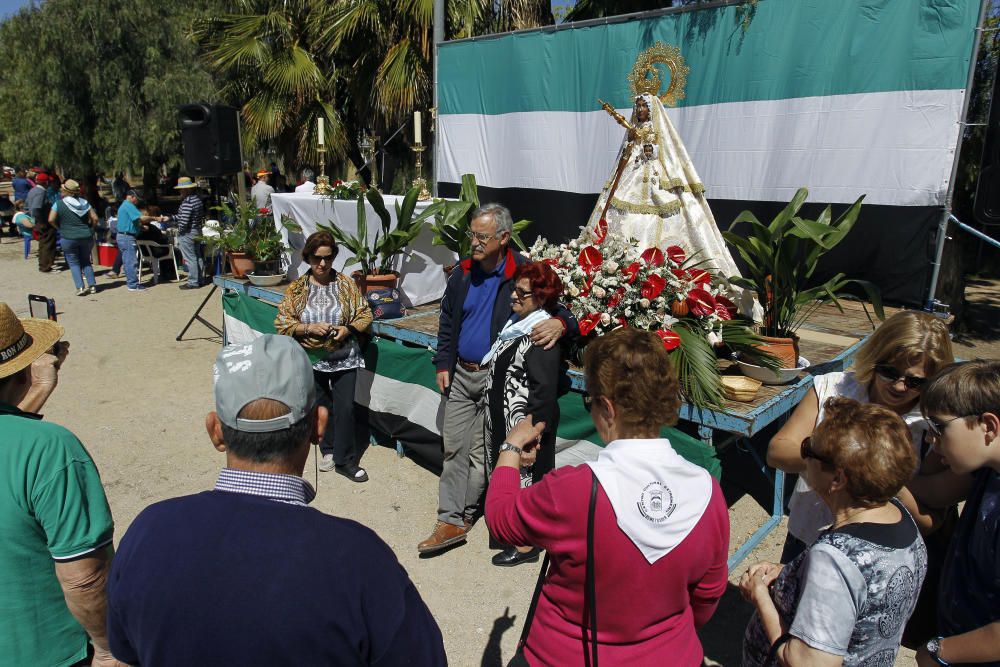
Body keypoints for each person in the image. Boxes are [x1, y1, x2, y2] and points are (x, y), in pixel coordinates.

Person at [106, 335, 445, 665]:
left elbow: (125, 649)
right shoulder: (359, 558)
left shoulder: (148, 531)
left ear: (215, 432)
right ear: (318, 426)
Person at [487, 327, 729, 665]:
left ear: (608, 408)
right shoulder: (709, 492)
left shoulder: (571, 490)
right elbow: (706, 598)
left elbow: (501, 521)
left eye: (590, 401)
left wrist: (511, 447)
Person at [418, 203, 578, 554]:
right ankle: (451, 519)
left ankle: (475, 512)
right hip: (462, 373)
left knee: (486, 455)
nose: (473, 242)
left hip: (499, 381)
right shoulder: (462, 274)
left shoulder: (522, 273)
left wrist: (561, 323)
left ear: (503, 237)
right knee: (455, 446)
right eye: (472, 234)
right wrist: (443, 363)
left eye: (481, 236)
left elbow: (562, 309)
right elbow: (447, 321)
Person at [742, 397, 927, 666]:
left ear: (838, 479)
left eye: (809, 449)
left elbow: (806, 662)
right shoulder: (902, 519)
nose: (803, 455)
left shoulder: (833, 557)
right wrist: (791, 573)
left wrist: (759, 594)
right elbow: (865, 592)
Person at [767, 310, 956, 561]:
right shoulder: (834, 387)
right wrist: (833, 457)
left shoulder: (932, 423)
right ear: (874, 357)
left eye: (915, 382)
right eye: (889, 372)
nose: (899, 386)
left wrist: (881, 479)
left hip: (878, 556)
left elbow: (929, 521)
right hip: (809, 535)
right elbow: (777, 451)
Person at [0, 302, 120, 667]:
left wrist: (33, 394)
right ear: (21, 372)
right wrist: (107, 650)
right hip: (49, 651)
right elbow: (84, 578)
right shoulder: (48, 448)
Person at [910, 361, 1000, 667]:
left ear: (988, 426)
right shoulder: (988, 471)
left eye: (938, 427)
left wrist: (939, 651)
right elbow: (935, 491)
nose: (932, 443)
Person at [482, 261, 564, 567]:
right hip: (505, 422)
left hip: (523, 427)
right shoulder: (516, 325)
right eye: (514, 289)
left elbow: (543, 392)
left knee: (525, 482)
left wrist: (532, 439)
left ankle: (525, 545)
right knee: (510, 479)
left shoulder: (540, 334)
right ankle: (512, 534)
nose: (513, 296)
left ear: (541, 298)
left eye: (522, 292)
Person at [275, 231, 373, 482]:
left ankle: (345, 460)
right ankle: (329, 450)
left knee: (346, 408)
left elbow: (364, 314)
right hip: (311, 357)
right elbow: (282, 321)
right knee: (321, 406)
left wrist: (348, 329)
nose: (323, 264)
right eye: (317, 258)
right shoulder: (297, 288)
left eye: (328, 258)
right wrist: (307, 328)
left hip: (344, 355)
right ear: (308, 257)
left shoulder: (345, 284)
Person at [50, 179, 99, 296]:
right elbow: (95, 218)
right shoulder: (84, 202)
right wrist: (91, 228)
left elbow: (51, 219)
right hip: (85, 235)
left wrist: (59, 228)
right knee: (86, 261)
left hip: (68, 236)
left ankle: (80, 287)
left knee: (73, 263)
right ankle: (92, 285)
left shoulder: (58, 204)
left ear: (66, 191)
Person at [115, 189, 158, 292]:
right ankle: (133, 285)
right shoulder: (129, 205)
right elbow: (141, 218)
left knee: (128, 261)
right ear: (131, 197)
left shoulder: (124, 205)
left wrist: (140, 227)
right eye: (137, 199)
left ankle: (131, 283)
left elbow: (132, 221)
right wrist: (156, 218)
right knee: (131, 261)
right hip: (127, 237)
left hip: (123, 236)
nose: (137, 202)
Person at [169, 176, 205, 290]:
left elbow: (184, 222)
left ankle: (193, 281)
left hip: (188, 233)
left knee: (190, 258)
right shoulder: (197, 200)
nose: (179, 191)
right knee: (198, 256)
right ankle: (200, 279)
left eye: (181, 189)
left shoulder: (187, 202)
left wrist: (179, 232)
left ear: (186, 189)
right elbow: (183, 216)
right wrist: (171, 217)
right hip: (197, 230)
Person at [28, 171, 58, 272]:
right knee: (48, 244)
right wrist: (41, 221)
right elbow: (36, 208)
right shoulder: (41, 192)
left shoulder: (33, 190)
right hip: (43, 222)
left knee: (43, 244)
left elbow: (27, 206)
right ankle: (46, 266)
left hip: (38, 221)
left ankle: (43, 264)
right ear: (45, 183)